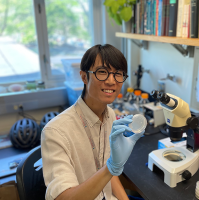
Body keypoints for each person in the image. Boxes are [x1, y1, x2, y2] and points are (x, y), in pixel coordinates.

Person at [41, 44, 144, 200]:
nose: (111, 81)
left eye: (118, 74)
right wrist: (111, 168)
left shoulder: (109, 114)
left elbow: (109, 171)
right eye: (102, 72)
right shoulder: (55, 132)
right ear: (83, 77)